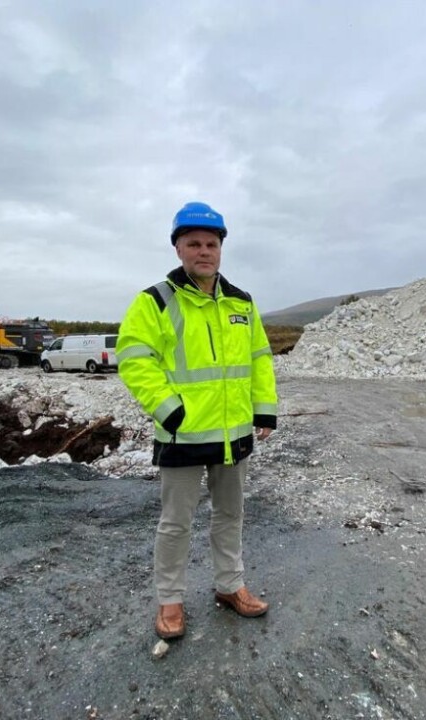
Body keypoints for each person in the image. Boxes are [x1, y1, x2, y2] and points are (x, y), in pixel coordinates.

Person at [116, 201, 278, 640]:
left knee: (231, 514)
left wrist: (263, 409)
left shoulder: (242, 303)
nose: (203, 251)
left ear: (221, 249)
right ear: (178, 249)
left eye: (211, 243)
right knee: (176, 523)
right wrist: (169, 408)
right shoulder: (155, 302)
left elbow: (259, 359)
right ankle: (170, 601)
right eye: (193, 244)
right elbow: (134, 359)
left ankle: (230, 586)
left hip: (234, 434)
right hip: (182, 434)